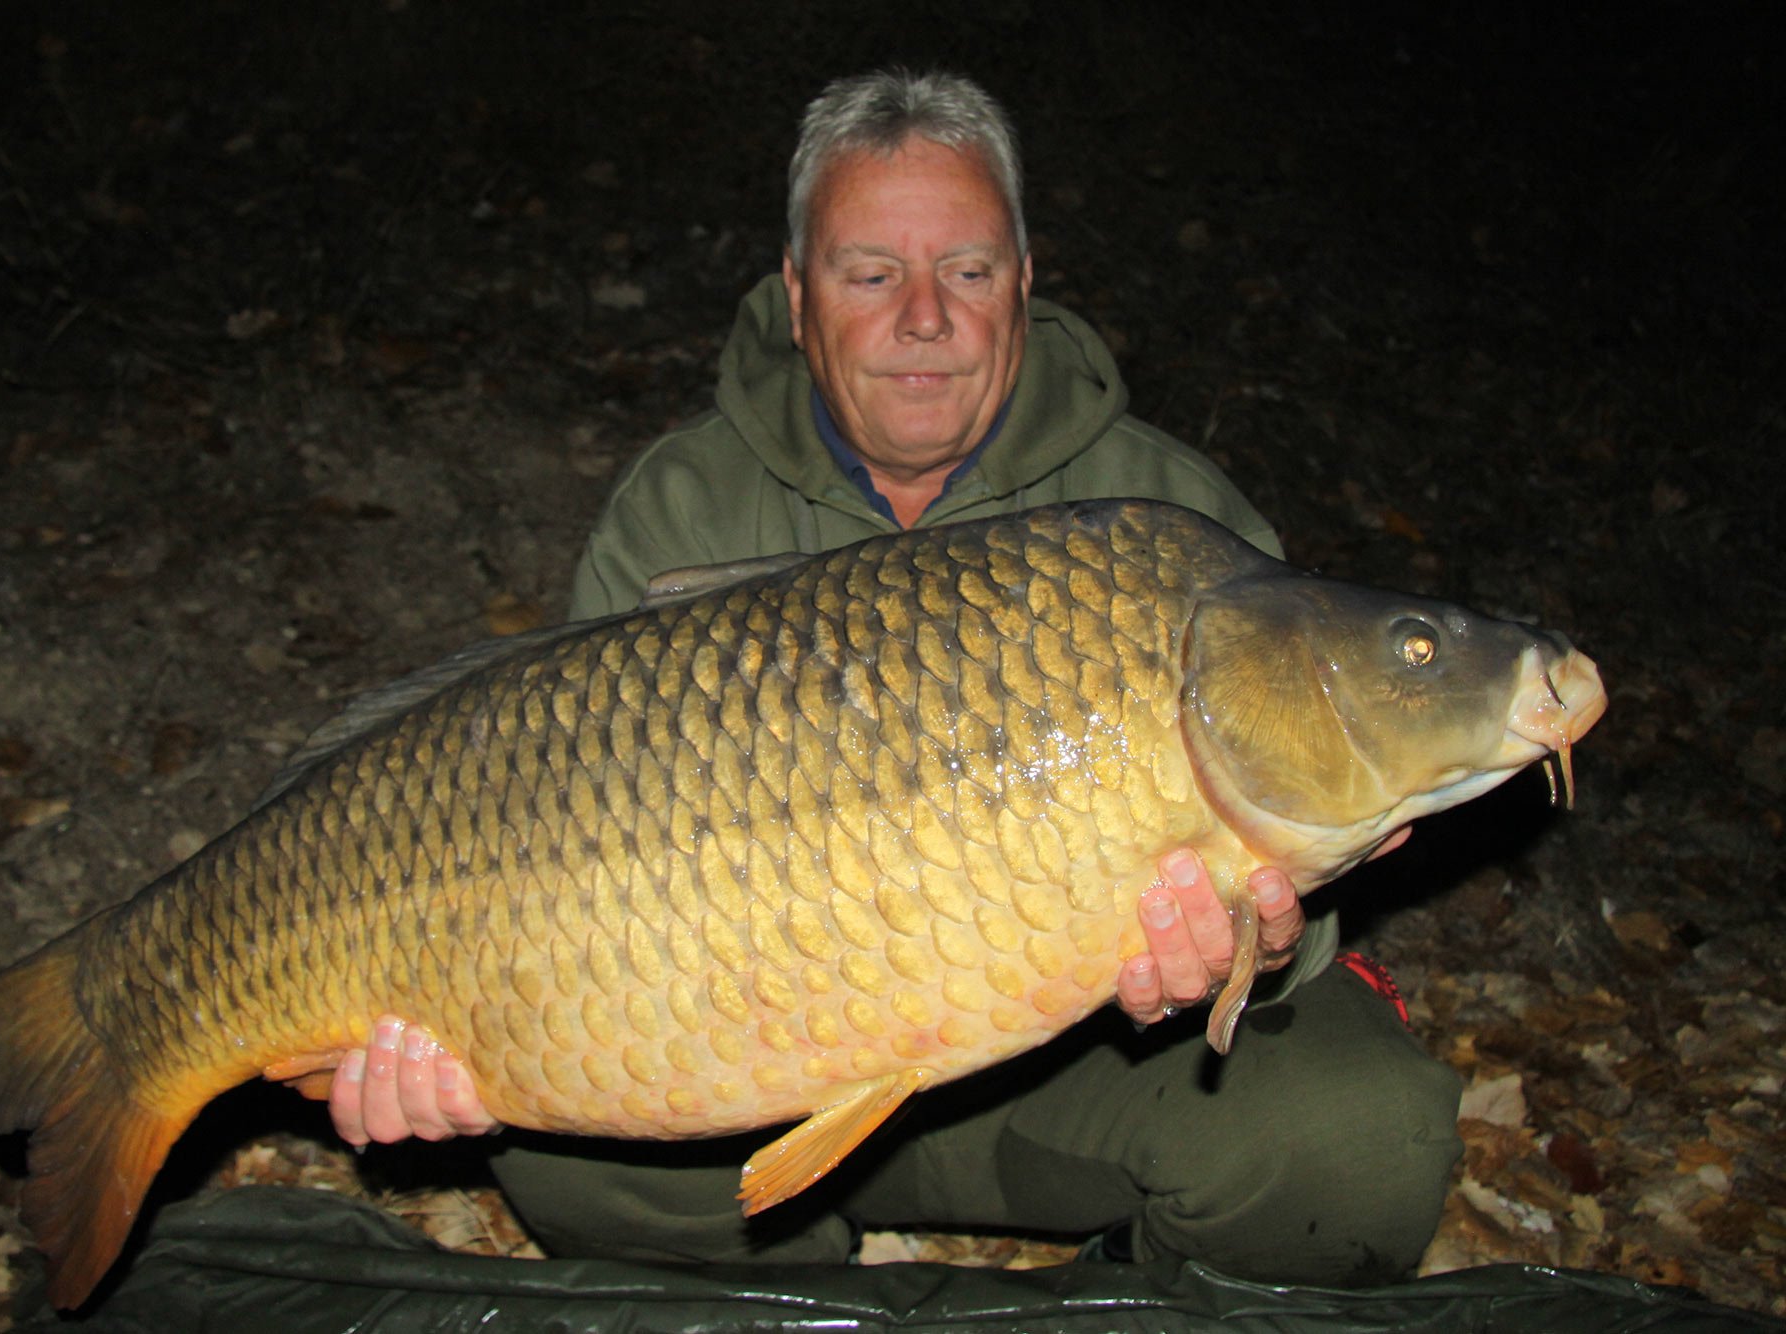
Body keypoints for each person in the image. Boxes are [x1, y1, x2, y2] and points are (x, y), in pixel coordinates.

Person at [322, 69, 1461, 1285]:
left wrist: (1251, 943)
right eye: (871, 274)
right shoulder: (680, 508)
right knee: (550, 1137)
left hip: (1085, 1061)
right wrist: (441, 1040)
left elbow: (1303, 905)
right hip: (743, 1054)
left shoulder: (1170, 524)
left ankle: (1134, 1292)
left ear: (1021, 286)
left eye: (967, 271)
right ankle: (781, 1289)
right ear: (796, 299)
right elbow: (551, 853)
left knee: (1359, 1136)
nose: (925, 317)